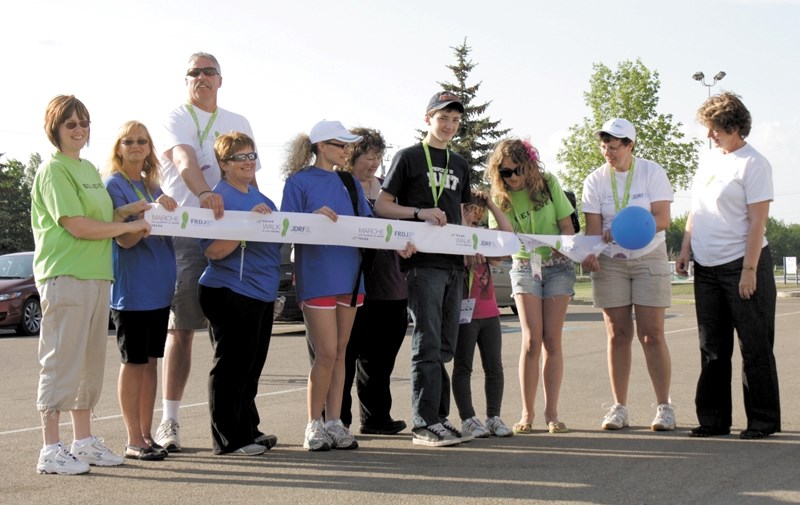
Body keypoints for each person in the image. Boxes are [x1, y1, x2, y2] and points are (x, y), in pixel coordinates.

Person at [32, 95, 151, 474]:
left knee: (88, 365)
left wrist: (126, 211)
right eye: (71, 124)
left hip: (99, 277)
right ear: (55, 129)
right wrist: (128, 226)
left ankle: (83, 442)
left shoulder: (86, 169)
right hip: (65, 276)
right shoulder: (54, 170)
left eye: (84, 123)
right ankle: (51, 448)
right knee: (60, 362)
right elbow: (77, 225)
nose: (80, 130)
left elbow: (100, 218)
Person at [156, 52, 261, 452]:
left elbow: (251, 171)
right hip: (189, 228)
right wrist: (204, 194)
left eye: (208, 72)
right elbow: (182, 157)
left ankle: (238, 424)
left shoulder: (239, 121)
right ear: (187, 81)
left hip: (231, 228)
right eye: (194, 72)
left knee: (235, 333)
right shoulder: (177, 116)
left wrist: (259, 217)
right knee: (182, 327)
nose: (201, 77)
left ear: (221, 79)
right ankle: (170, 420)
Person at [676, 92, 780, 440]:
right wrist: (685, 247)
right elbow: (697, 210)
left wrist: (749, 271)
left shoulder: (754, 163)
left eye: (714, 128)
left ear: (734, 126)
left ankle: (762, 421)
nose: (710, 135)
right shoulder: (709, 162)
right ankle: (713, 419)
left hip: (742, 265)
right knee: (713, 348)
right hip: (706, 267)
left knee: (755, 347)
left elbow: (757, 223)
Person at [375, 91, 473, 447]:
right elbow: (383, 206)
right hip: (422, 265)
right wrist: (418, 213)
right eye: (443, 118)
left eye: (455, 121)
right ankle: (423, 423)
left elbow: (460, 214)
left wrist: (470, 245)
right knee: (426, 342)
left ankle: (440, 418)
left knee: (445, 345)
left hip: (453, 266)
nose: (449, 126)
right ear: (427, 118)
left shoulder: (460, 164)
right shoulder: (409, 157)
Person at [580, 118, 675, 431]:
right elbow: (593, 232)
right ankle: (619, 407)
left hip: (649, 258)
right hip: (611, 264)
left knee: (651, 335)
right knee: (618, 335)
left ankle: (664, 407)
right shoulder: (595, 180)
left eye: (615, 146)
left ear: (630, 146)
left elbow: (662, 219)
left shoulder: (651, 172)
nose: (608, 152)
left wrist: (625, 228)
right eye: (604, 145)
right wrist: (589, 254)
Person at [281, 120, 369, 451]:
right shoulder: (298, 181)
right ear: (321, 146)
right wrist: (311, 217)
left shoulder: (350, 182)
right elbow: (285, 226)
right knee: (327, 352)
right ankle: (313, 424)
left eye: (348, 146)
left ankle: (335, 421)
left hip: (351, 275)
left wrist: (404, 239)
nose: (348, 151)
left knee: (342, 352)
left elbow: (368, 224)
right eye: (341, 145)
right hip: (317, 277)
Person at [198, 132, 281, 455]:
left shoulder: (261, 198)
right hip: (229, 290)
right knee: (231, 367)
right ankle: (229, 440)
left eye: (251, 156)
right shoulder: (218, 199)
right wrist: (247, 226)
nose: (248, 162)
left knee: (251, 367)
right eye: (240, 158)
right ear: (223, 164)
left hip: (261, 294)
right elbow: (215, 251)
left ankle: (249, 429)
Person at [486, 138, 576, 435]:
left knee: (552, 340)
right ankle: (527, 413)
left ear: (530, 166)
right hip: (525, 265)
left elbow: (568, 226)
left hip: (557, 267)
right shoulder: (500, 198)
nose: (512, 177)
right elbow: (500, 240)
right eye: (505, 173)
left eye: (517, 170)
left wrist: (564, 246)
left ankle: (552, 413)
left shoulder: (549, 183)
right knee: (530, 340)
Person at [104, 121, 177, 461]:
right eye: (129, 141)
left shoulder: (153, 187)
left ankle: (147, 435)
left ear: (149, 148)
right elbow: (124, 238)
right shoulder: (114, 185)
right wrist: (139, 224)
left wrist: (169, 211)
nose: (136, 146)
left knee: (150, 363)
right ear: (119, 148)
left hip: (160, 290)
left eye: (142, 141)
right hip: (132, 291)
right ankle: (133, 438)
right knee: (133, 363)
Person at [338, 128, 408, 435]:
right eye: (369, 156)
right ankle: (338, 419)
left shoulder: (388, 189)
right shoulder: (341, 186)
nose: (375, 163)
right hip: (352, 282)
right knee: (345, 354)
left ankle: (377, 417)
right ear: (352, 155)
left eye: (378, 156)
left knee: (381, 358)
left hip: (391, 283)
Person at [452, 194, 515, 438]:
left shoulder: (486, 240)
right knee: (463, 367)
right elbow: (459, 228)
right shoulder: (453, 238)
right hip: (464, 316)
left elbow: (508, 234)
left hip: (490, 314)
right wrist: (460, 208)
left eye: (478, 222)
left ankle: (493, 417)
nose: (474, 225)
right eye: (471, 220)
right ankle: (467, 418)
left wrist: (490, 204)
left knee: (494, 367)